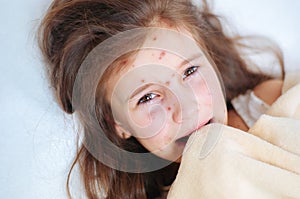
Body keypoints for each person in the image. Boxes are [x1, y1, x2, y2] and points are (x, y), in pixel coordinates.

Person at [38, 0, 284, 198]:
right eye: (147, 97)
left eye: (189, 71)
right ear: (116, 124)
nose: (187, 109)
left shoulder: (277, 106)